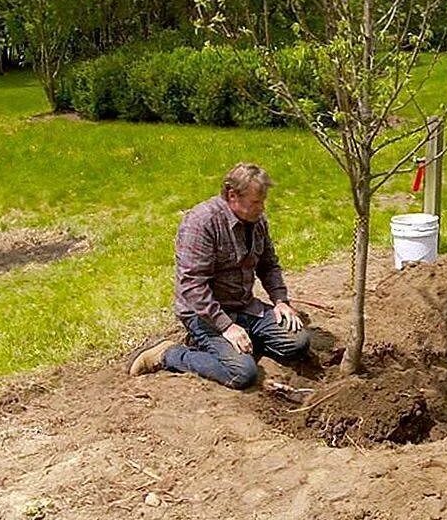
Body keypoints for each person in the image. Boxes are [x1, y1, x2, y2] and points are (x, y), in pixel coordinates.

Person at [127, 163, 311, 389]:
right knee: (242, 373)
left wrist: (280, 301)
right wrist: (226, 326)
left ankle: (235, 344)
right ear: (232, 195)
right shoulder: (201, 223)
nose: (262, 208)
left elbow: (268, 264)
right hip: (205, 314)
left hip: (243, 306)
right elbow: (192, 286)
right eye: (256, 202)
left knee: (298, 343)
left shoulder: (256, 221)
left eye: (263, 201)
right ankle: (169, 354)